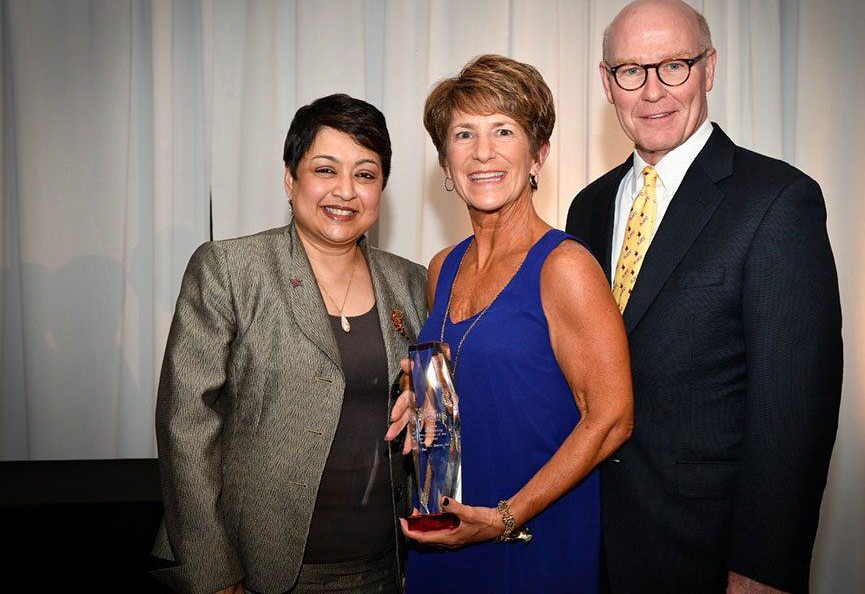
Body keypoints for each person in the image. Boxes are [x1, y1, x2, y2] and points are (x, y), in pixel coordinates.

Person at [565, 0, 843, 593]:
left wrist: (763, 568)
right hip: (590, 542)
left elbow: (794, 409)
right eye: (631, 71)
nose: (653, 90)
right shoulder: (586, 209)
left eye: (675, 65)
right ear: (607, 84)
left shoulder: (777, 201)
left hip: (709, 553)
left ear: (709, 68)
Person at [151, 94, 428, 594]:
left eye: (365, 174)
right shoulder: (231, 270)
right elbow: (184, 425)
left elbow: (436, 407)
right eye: (326, 169)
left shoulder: (410, 282)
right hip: (256, 571)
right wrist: (216, 574)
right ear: (290, 178)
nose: (345, 191)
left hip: (386, 567)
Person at [386, 54, 634, 593]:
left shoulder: (564, 265)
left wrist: (504, 518)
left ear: (539, 154)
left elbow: (612, 418)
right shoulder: (442, 268)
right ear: (445, 165)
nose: (483, 152)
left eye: (504, 130)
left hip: (529, 540)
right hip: (447, 530)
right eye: (463, 134)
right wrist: (419, 387)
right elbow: (479, 373)